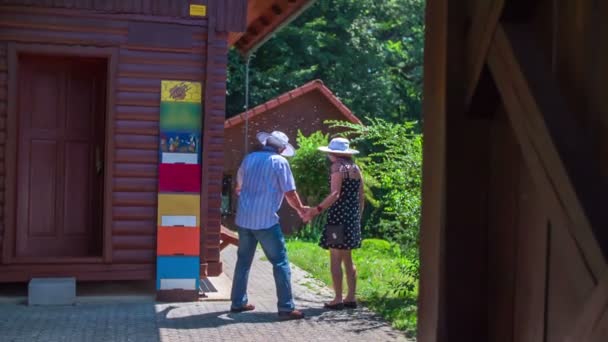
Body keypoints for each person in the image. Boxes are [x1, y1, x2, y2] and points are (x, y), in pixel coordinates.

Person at [230, 130, 309, 320]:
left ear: (266, 143)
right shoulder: (280, 162)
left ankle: (238, 303)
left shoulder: (249, 158)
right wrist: (300, 209)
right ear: (282, 149)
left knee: (243, 262)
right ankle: (286, 308)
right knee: (280, 262)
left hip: (244, 219)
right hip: (266, 221)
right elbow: (289, 192)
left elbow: (238, 186)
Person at [303, 137, 364, 310]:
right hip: (352, 218)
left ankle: (337, 299)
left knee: (335, 257)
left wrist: (316, 209)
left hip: (337, 218)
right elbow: (361, 196)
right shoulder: (355, 168)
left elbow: (335, 194)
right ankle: (351, 298)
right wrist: (357, 217)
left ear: (334, 153)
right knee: (348, 257)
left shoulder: (337, 167)